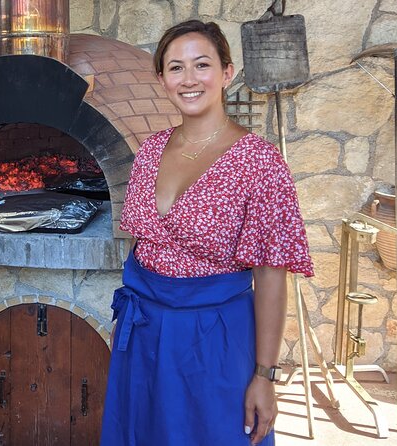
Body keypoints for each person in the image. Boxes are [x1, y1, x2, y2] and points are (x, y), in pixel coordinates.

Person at [100, 19, 314, 446]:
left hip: (215, 341)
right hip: (144, 335)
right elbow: (147, 246)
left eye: (202, 64)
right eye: (176, 68)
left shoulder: (260, 162)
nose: (189, 79)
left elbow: (271, 275)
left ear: (227, 73)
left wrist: (264, 375)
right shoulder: (151, 150)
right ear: (162, 78)